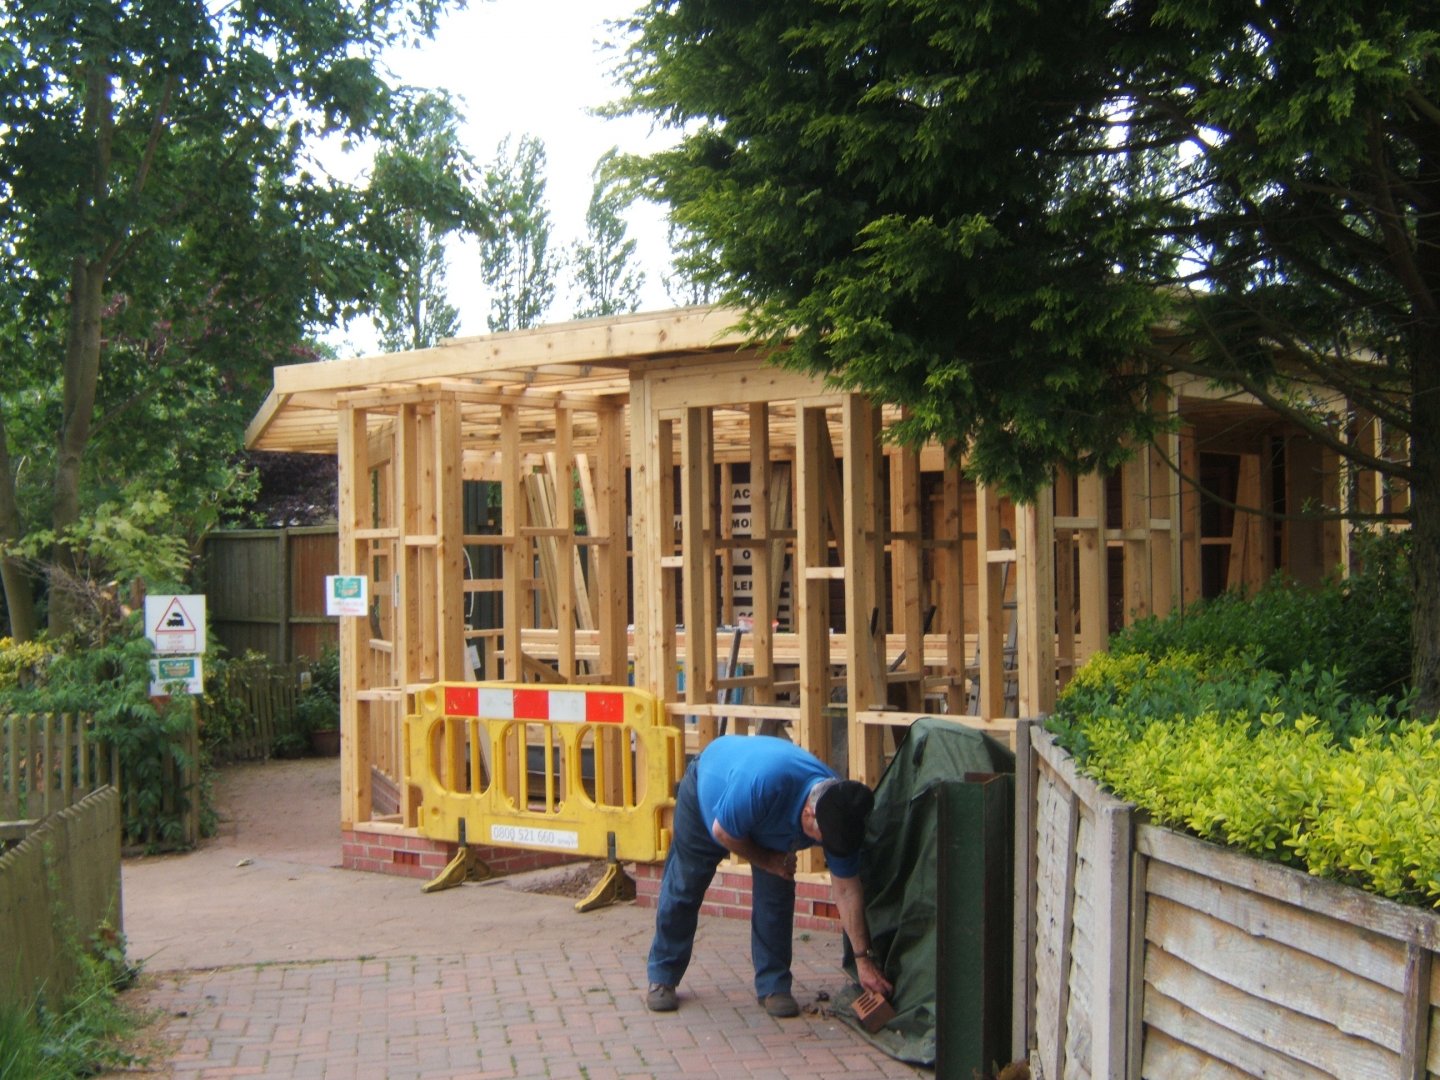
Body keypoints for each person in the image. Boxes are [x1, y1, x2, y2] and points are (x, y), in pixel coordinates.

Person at [645, 734, 894, 1017]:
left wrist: (863, 959)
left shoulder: (840, 812)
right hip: (710, 796)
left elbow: (847, 891)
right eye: (820, 839)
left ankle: (774, 985)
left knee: (777, 895)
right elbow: (722, 831)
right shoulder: (764, 783)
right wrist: (768, 861)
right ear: (810, 814)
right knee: (685, 886)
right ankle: (662, 975)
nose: (823, 847)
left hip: (767, 817)